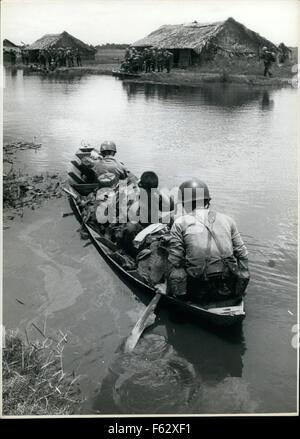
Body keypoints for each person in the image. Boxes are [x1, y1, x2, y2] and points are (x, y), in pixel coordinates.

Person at [167, 179, 249, 302]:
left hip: (198, 287)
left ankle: (180, 299)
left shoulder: (179, 223)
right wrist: (241, 282)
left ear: (185, 203)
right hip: (227, 284)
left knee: (172, 268)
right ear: (207, 201)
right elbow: (242, 254)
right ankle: (235, 296)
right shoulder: (228, 219)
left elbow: (175, 259)